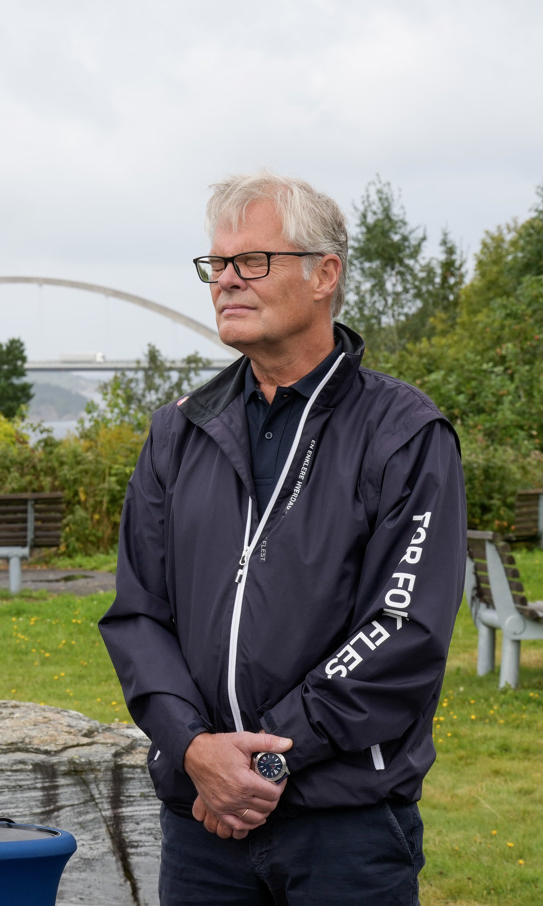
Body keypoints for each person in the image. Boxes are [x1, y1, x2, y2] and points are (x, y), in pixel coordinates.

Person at [99, 171, 466, 905]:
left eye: (252, 261)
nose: (226, 281)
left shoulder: (402, 435)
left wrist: (259, 767)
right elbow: (139, 613)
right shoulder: (180, 431)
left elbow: (403, 630)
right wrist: (198, 750)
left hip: (344, 830)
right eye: (217, 264)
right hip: (200, 823)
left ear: (325, 273)